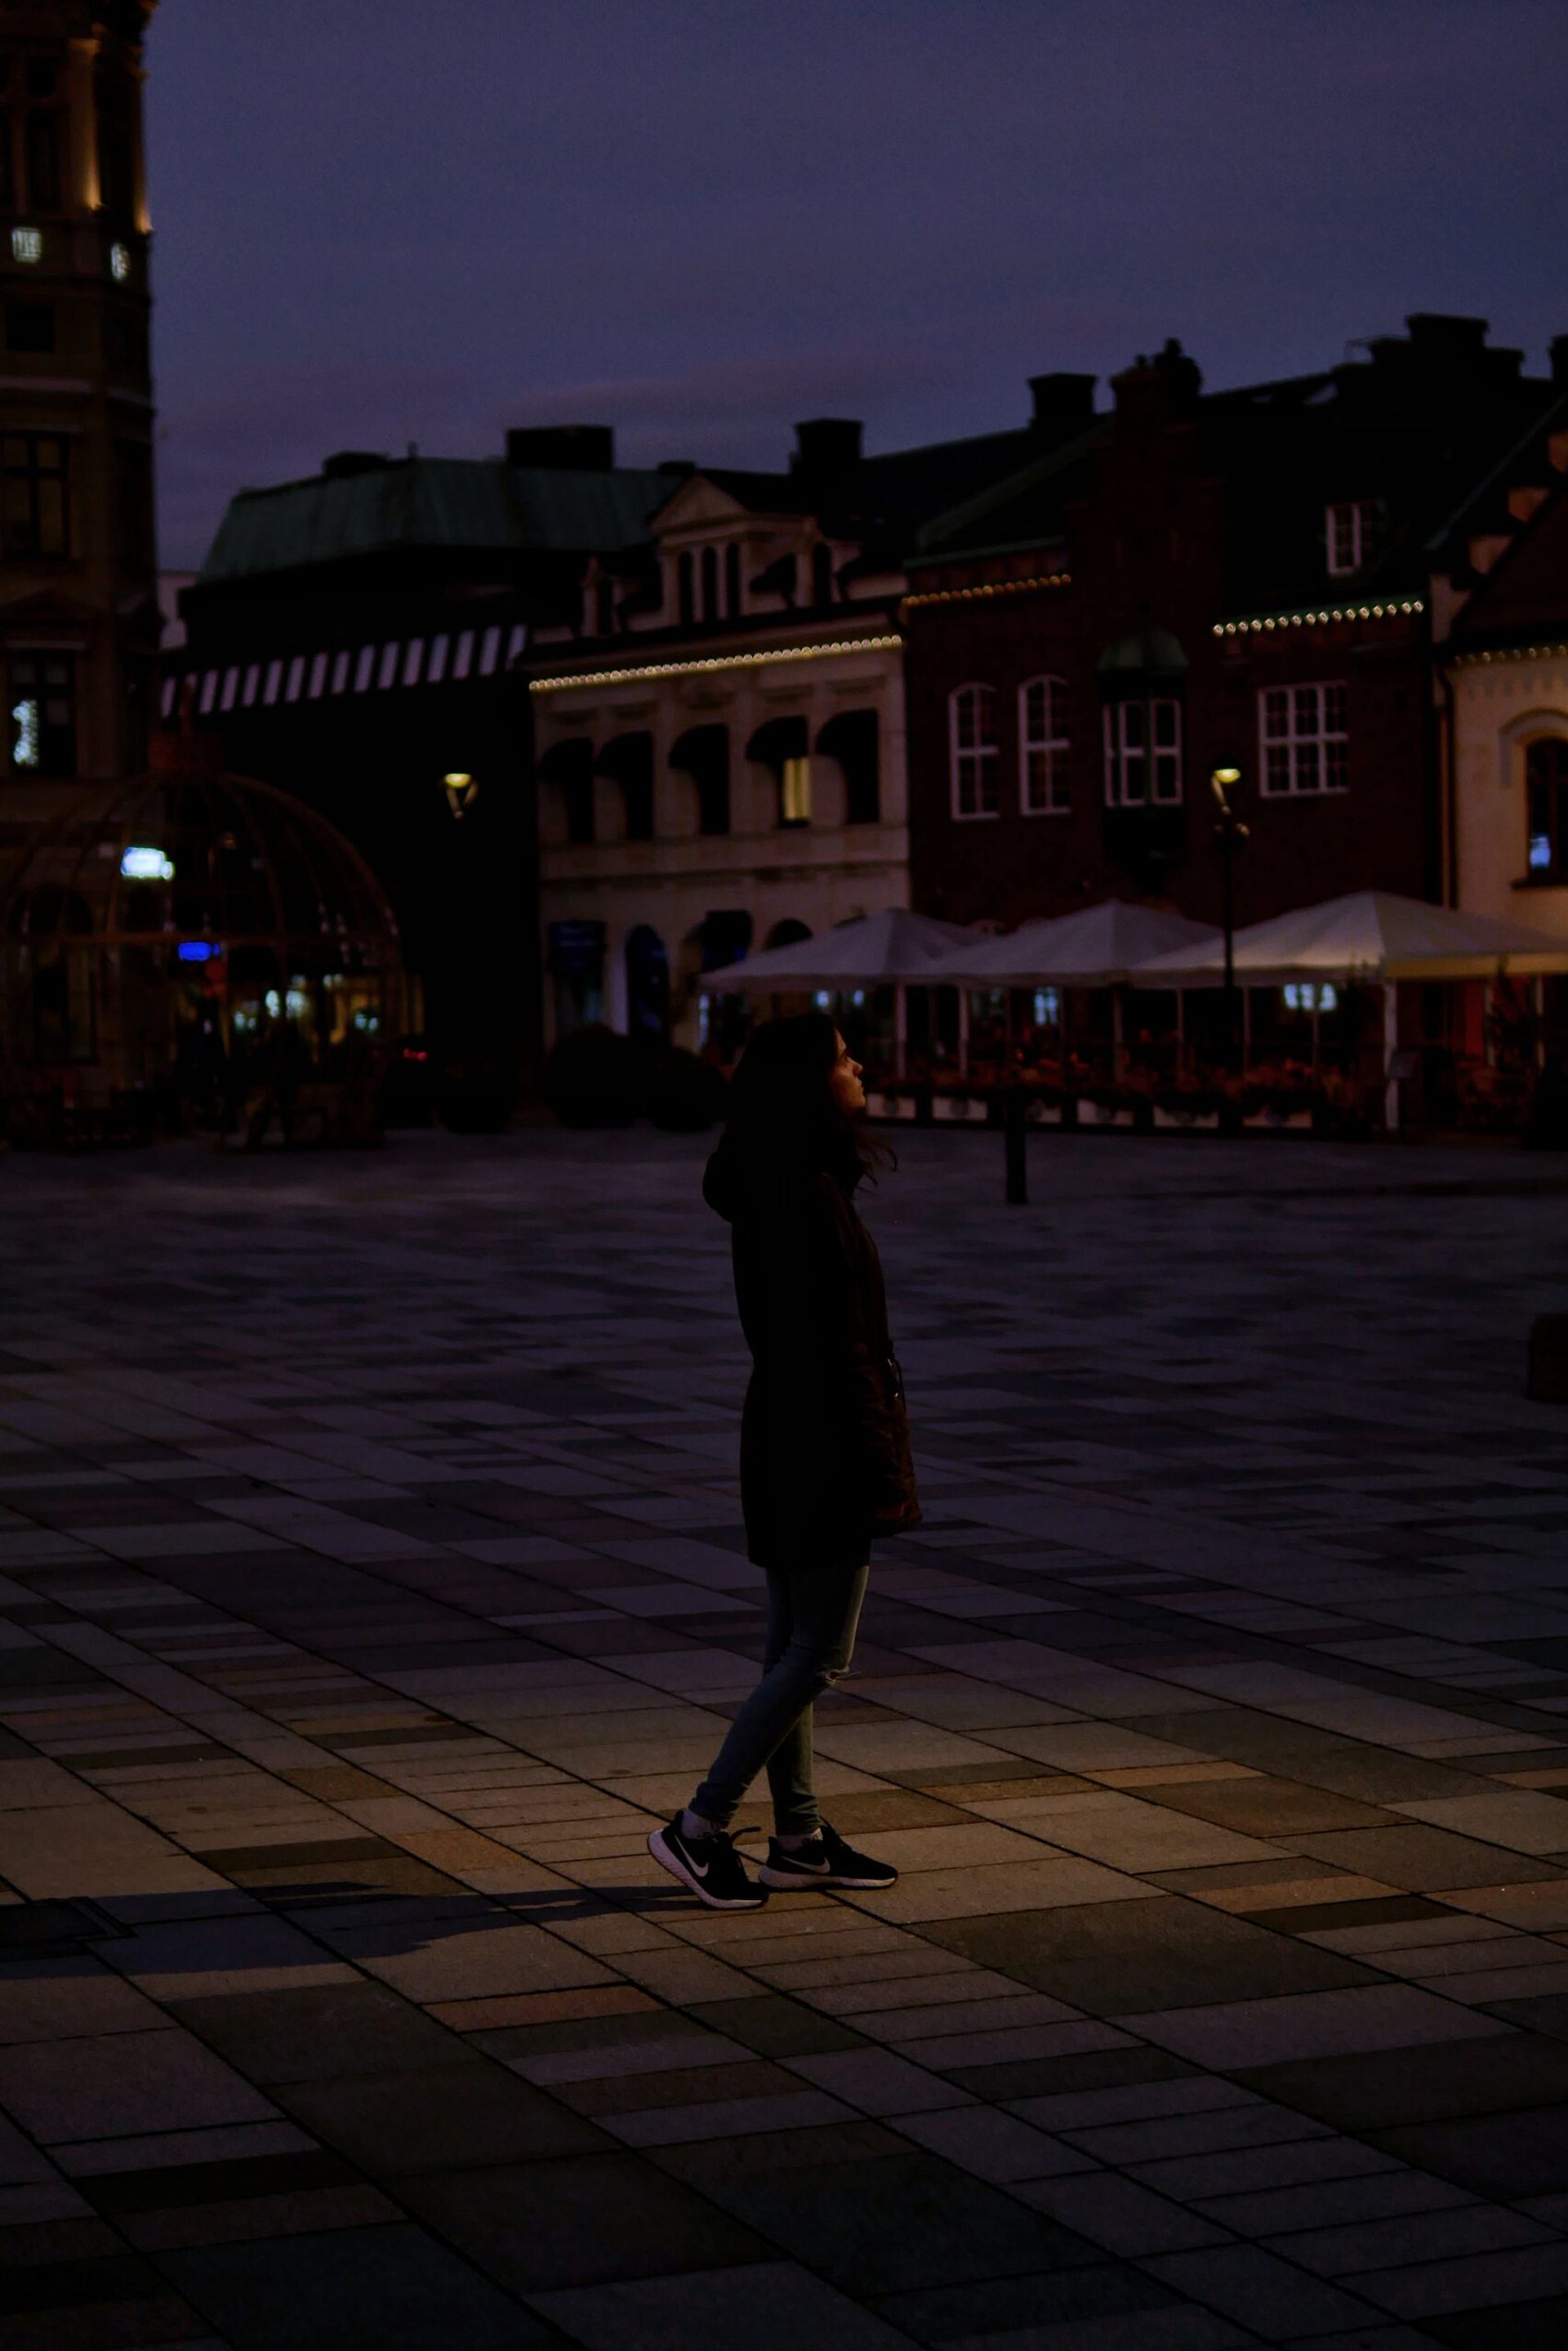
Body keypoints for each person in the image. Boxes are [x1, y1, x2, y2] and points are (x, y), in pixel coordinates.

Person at [648, 1013, 922, 1911]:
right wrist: (879, 1458)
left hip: (785, 1428)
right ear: (810, 1082)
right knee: (819, 1652)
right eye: (844, 1057)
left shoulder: (783, 1181)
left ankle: (798, 1837)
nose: (859, 1066)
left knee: (789, 1644)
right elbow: (834, 1346)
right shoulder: (802, 1194)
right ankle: (699, 1825)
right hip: (822, 1433)